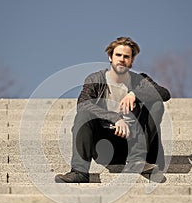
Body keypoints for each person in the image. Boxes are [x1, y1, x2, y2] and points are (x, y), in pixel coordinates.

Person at [55, 36, 171, 183]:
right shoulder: (96, 79)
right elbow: (83, 104)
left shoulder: (140, 81)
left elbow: (165, 93)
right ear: (110, 57)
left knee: (156, 104)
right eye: (118, 55)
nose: (122, 59)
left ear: (132, 60)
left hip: (134, 144)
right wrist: (115, 118)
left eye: (126, 56)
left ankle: (138, 161)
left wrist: (135, 94)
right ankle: (79, 171)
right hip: (104, 146)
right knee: (84, 113)